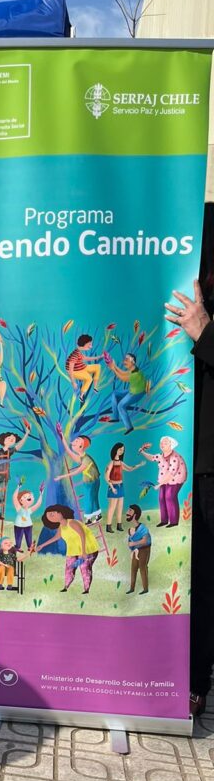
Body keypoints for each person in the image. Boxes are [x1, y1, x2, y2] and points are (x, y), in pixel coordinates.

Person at [164, 278, 214, 712]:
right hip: (172, 440)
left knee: (203, 576)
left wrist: (206, 333)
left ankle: (193, 681)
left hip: (206, 458)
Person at [41, 504, 100, 594]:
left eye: (53, 513)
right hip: (73, 550)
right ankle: (66, 586)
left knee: (84, 567)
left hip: (88, 548)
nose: (52, 516)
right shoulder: (61, 527)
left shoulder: (72, 523)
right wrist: (42, 545)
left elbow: (82, 535)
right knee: (69, 567)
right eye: (50, 517)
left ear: (60, 512)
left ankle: (86, 589)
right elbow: (56, 537)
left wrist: (83, 551)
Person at [0, 422, 31, 519]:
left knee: (1, 496)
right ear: (4, 440)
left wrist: (27, 433)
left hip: (3, 476)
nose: (11, 439)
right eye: (9, 438)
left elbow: (19, 445)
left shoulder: (10, 451)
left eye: (13, 439)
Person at [138, 436, 187, 528]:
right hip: (164, 479)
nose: (162, 444)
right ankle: (164, 520)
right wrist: (142, 452)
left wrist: (159, 484)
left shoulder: (174, 457)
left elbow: (171, 473)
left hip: (176, 479)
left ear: (171, 445)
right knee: (161, 498)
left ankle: (173, 521)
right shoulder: (161, 455)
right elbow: (152, 457)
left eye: (165, 443)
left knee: (169, 497)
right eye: (161, 442)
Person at [55, 427, 101, 524]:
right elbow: (69, 451)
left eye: (77, 441)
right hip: (90, 481)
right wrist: (62, 435)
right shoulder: (81, 457)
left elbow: (76, 472)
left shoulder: (86, 460)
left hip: (91, 482)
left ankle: (88, 519)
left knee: (89, 499)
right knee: (92, 498)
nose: (74, 442)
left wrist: (61, 477)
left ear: (81, 446)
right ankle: (97, 515)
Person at [104, 442, 144, 533]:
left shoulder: (121, 463)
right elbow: (106, 476)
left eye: (123, 450)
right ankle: (108, 526)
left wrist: (139, 465)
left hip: (120, 486)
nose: (122, 451)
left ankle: (119, 525)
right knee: (112, 507)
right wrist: (112, 487)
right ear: (115, 450)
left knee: (120, 507)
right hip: (113, 486)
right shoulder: (111, 463)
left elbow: (129, 468)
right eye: (120, 449)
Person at [103, 352, 148, 433]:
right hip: (132, 390)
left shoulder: (136, 374)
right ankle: (116, 417)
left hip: (136, 393)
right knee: (114, 394)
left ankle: (129, 427)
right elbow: (123, 373)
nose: (124, 361)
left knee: (121, 405)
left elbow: (123, 378)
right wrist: (114, 366)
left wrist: (113, 368)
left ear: (133, 361)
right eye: (125, 359)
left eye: (127, 359)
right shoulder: (133, 369)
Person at [125, 504, 151, 595]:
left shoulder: (142, 528)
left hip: (144, 549)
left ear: (135, 514)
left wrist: (133, 544)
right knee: (133, 568)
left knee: (142, 568)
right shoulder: (131, 529)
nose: (127, 512)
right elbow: (130, 541)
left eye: (130, 511)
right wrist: (132, 546)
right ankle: (132, 588)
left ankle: (145, 589)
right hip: (136, 549)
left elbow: (145, 540)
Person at [66, 334, 102, 400]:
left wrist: (98, 357)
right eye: (89, 345)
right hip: (75, 371)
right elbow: (70, 369)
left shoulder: (78, 352)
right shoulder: (74, 355)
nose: (91, 347)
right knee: (89, 378)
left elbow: (85, 358)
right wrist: (73, 382)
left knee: (98, 367)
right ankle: (81, 395)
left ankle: (95, 387)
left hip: (82, 367)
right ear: (84, 343)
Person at [12, 482, 44, 550]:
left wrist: (41, 494)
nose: (28, 498)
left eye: (29, 497)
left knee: (29, 538)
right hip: (19, 525)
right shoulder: (19, 508)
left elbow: (38, 504)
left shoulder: (29, 510)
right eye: (25, 497)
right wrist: (18, 487)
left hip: (28, 525)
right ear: (20, 500)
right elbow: (14, 498)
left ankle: (30, 547)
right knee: (18, 538)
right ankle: (18, 547)